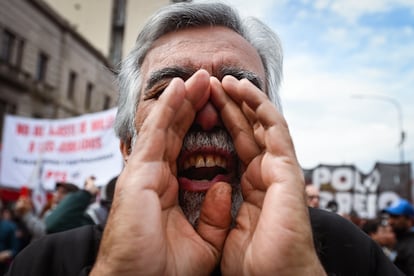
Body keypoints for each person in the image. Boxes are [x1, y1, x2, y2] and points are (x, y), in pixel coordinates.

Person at [6, 2, 403, 275]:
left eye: (238, 92)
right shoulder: (45, 262)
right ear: (127, 145)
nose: (209, 114)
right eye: (168, 93)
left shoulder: (350, 253)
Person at [14, 181, 79, 240]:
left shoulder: (68, 216)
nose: (57, 194)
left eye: (63, 192)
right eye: (58, 191)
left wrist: (26, 213)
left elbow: (43, 232)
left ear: (72, 198)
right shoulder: (51, 211)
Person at [383, 198, 414, 275]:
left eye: (395, 217)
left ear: (409, 219)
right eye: (389, 217)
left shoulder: (411, 245)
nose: (390, 221)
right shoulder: (396, 240)